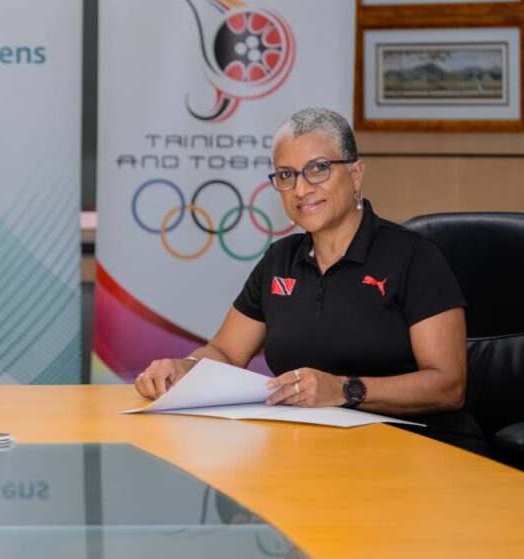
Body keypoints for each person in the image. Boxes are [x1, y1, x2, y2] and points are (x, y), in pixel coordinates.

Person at [135, 107, 486, 454]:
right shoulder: (280, 260)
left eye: (318, 169)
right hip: (316, 452)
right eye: (286, 175)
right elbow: (225, 351)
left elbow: (448, 385)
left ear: (356, 173)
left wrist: (345, 390)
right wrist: (187, 369)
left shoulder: (414, 256)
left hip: (422, 452)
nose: (301, 189)